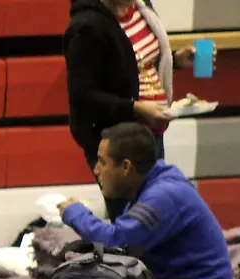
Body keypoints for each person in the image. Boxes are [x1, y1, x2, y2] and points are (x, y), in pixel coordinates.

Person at [47, 122, 234, 279]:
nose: (96, 170)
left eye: (102, 162)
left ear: (126, 167)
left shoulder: (164, 196)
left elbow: (116, 241)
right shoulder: (152, 188)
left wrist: (75, 213)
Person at [65, 0, 205, 220]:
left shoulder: (140, 6)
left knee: (155, 215)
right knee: (133, 219)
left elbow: (135, 63)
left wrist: (176, 60)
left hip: (151, 132)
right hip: (117, 143)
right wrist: (135, 108)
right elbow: (82, 95)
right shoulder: (86, 26)